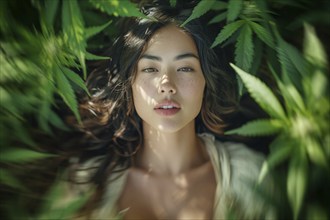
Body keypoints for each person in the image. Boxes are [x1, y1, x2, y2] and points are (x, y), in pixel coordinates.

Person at [60, 2, 275, 220]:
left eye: (185, 68)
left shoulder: (250, 177)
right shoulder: (85, 184)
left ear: (207, 81)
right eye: (150, 69)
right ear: (129, 83)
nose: (167, 84)